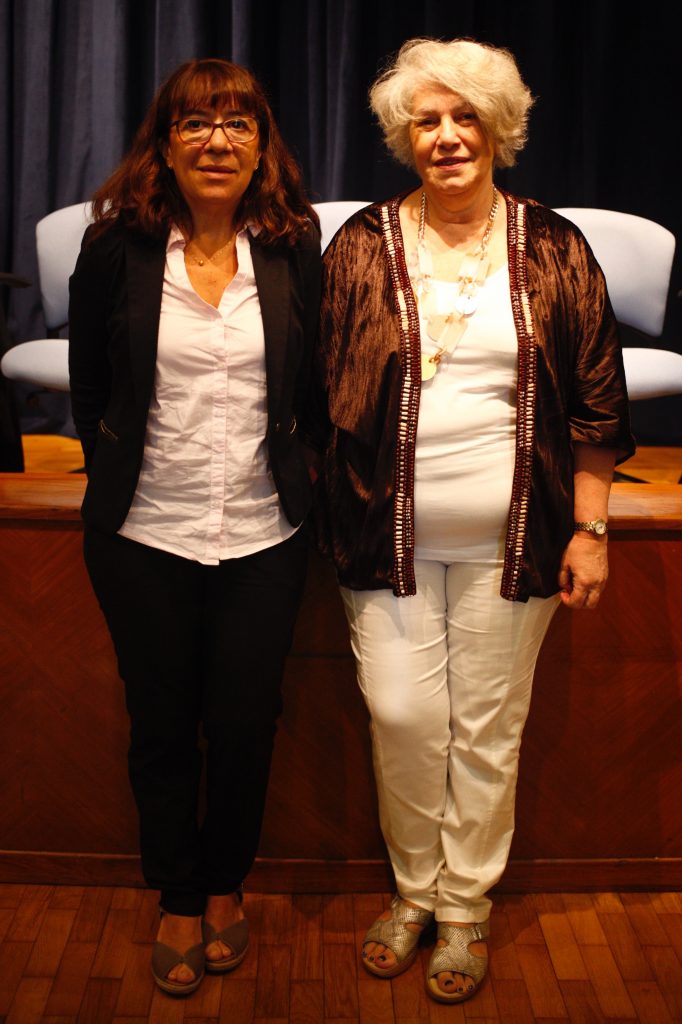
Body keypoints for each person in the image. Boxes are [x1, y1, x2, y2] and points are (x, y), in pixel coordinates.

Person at [314, 38, 633, 1005]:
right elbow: (315, 390)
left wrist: (591, 530)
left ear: (498, 129)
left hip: (518, 541)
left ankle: (461, 908)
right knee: (404, 716)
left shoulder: (555, 246)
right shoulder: (360, 244)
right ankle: (413, 889)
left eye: (465, 118)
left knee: (488, 728)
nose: (447, 137)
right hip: (381, 535)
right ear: (404, 137)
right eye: (427, 121)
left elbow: (597, 400)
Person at [69, 58, 321, 996]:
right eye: (196, 123)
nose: (218, 141)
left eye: (239, 123)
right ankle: (177, 893)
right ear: (165, 145)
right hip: (144, 533)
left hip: (263, 533)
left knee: (247, 723)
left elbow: (315, 384)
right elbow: (89, 386)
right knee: (162, 722)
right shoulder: (116, 248)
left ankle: (225, 884)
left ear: (262, 147)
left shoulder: (293, 247)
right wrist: (115, 472)